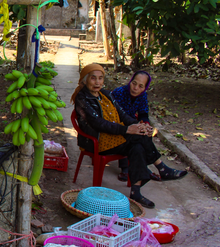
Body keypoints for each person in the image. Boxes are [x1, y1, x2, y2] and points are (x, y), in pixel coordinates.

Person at [71, 64, 187, 209]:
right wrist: (127, 129)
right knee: (137, 137)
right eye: (93, 78)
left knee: (138, 145)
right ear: (85, 80)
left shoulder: (105, 94)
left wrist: (139, 126)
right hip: (96, 141)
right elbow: (99, 124)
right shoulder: (82, 98)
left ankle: (136, 192)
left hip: (112, 138)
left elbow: (122, 115)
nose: (97, 82)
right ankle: (161, 168)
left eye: (100, 78)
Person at [111, 71, 158, 182]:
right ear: (130, 81)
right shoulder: (119, 93)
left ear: (145, 88)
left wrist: (146, 126)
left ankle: (142, 167)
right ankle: (125, 168)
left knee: (145, 133)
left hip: (131, 122)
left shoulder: (143, 96)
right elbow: (116, 116)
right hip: (115, 124)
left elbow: (143, 113)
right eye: (134, 83)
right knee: (131, 136)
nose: (135, 88)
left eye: (140, 86)